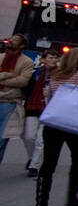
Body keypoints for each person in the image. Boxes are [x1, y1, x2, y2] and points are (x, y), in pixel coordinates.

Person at [35, 47, 78, 206]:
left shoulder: (55, 75)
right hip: (74, 124)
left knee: (48, 162)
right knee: (77, 160)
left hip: (53, 123)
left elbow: (49, 97)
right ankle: (72, 198)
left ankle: (41, 202)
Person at [21, 50, 58, 177]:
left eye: (55, 58)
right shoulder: (35, 73)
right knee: (28, 136)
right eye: (50, 57)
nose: (53, 60)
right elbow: (26, 87)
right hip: (33, 106)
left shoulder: (59, 74)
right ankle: (32, 158)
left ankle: (34, 166)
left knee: (40, 140)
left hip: (49, 109)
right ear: (43, 60)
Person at [0, 33, 35, 166]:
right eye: (11, 39)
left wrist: (3, 79)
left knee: (2, 138)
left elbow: (23, 81)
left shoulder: (27, 62)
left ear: (21, 46)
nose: (11, 41)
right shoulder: (1, 57)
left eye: (15, 40)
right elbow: (16, 78)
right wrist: (7, 74)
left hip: (10, 103)